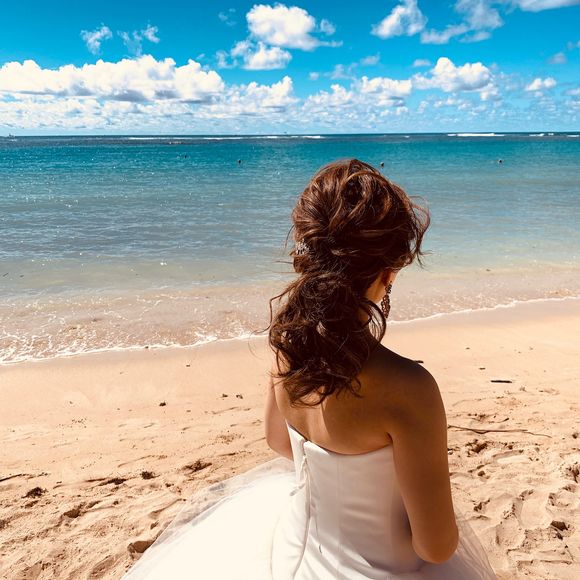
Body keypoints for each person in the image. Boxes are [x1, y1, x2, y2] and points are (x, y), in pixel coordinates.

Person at [122, 159, 496, 579]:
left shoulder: (287, 343)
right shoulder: (409, 387)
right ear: (389, 273)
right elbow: (436, 546)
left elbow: (278, 440)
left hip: (293, 550)